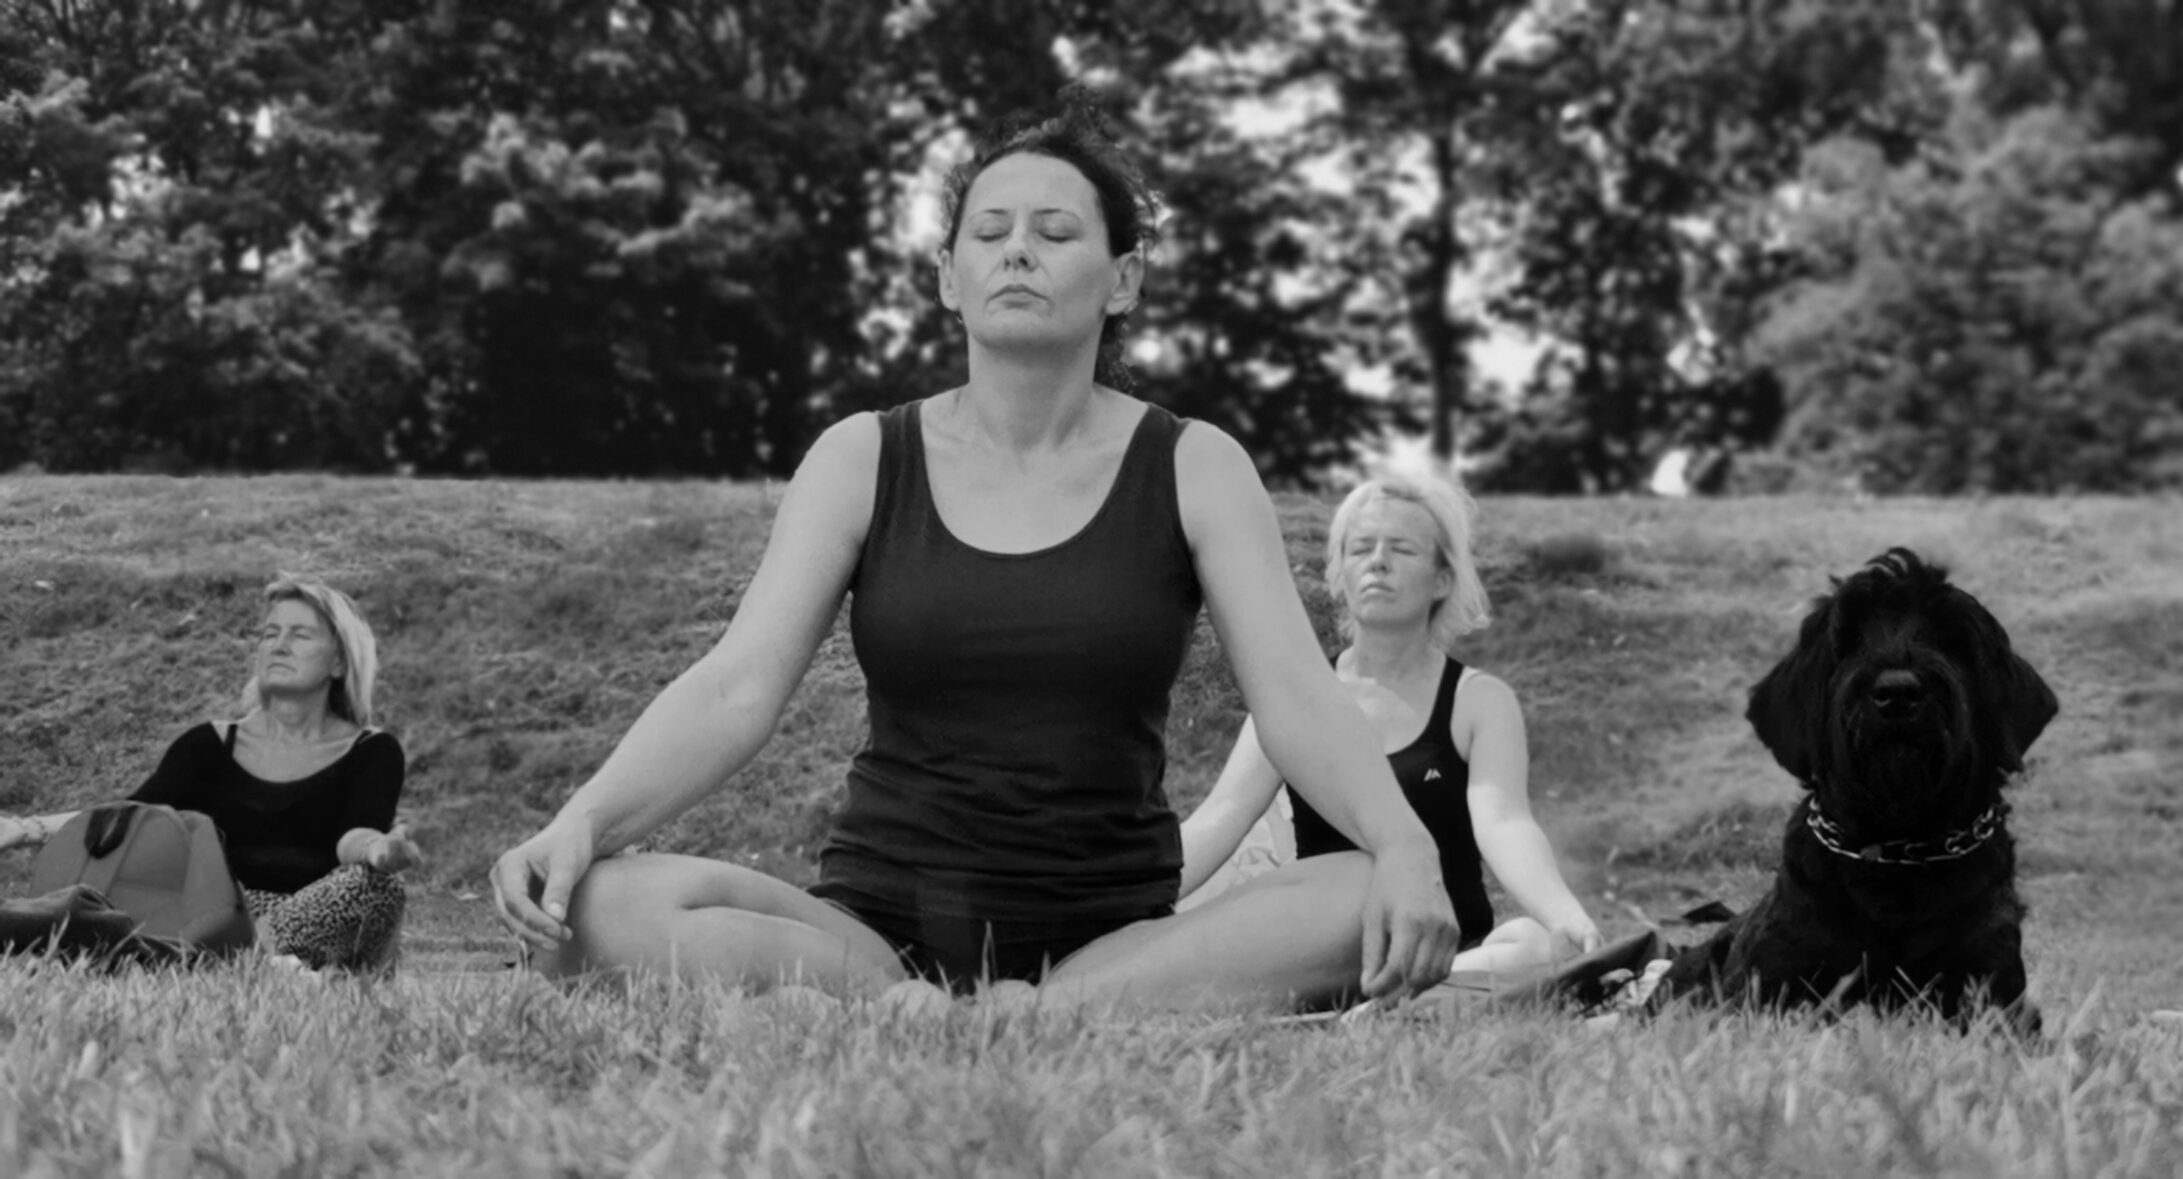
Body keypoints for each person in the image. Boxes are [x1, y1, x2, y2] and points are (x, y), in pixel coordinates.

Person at [485, 96, 1458, 1012]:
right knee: (595, 912)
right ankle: (932, 1012)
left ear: (1123, 280)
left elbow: (1293, 694)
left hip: (1109, 944)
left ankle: (1021, 1015)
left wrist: (1405, 846)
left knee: (1364, 890)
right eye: (989, 234)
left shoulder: (1194, 465)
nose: (1018, 253)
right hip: (868, 935)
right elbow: (736, 687)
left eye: (1056, 232)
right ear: (950, 277)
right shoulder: (863, 455)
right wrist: (583, 821)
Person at [1178, 472, 1603, 976]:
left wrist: (1565, 916)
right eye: (1360, 549)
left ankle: (1407, 994)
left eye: (1401, 549)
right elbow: (1219, 819)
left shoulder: (1479, 701)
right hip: (1331, 948)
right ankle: (1389, 998)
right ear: (1338, 574)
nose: (1377, 562)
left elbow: (1504, 822)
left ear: (1443, 578)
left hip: (1449, 951)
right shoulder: (1293, 702)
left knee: (1533, 944)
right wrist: (1114, 906)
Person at [0, 576, 420, 971]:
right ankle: (240, 964)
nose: (279, 646)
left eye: (301, 635)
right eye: (270, 634)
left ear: (340, 663)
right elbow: (126, 815)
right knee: (87, 908)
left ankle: (229, 963)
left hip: (317, 918)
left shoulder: (372, 750)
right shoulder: (208, 744)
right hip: (219, 916)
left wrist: (378, 850)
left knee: (377, 888)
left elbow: (355, 836)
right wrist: (24, 828)